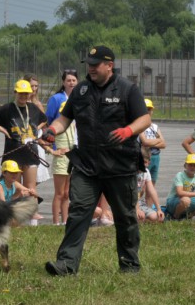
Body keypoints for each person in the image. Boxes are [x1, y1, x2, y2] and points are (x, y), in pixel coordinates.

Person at [41, 45, 151, 275]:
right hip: (87, 165)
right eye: (88, 65)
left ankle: (129, 264)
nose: (90, 68)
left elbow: (144, 119)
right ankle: (66, 264)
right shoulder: (81, 91)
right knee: (78, 212)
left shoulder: (127, 89)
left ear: (109, 65)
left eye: (95, 64)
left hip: (120, 165)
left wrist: (128, 131)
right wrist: (52, 130)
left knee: (125, 217)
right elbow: (64, 118)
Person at [0, 79, 47, 209]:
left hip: (31, 153)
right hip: (13, 153)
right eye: (21, 93)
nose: (23, 96)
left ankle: (33, 219)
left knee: (30, 188)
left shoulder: (33, 108)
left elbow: (44, 120)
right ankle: (15, 218)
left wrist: (36, 130)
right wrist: (1, 129)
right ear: (15, 92)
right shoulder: (7, 108)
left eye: (26, 93)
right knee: (14, 188)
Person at [46, 101, 76, 225]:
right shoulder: (57, 125)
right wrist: (53, 151)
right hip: (61, 159)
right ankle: (55, 222)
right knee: (59, 193)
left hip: (70, 158)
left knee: (66, 193)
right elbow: (43, 141)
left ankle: (65, 220)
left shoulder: (73, 124)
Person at [139, 99, 166, 184]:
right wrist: (158, 140)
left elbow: (164, 144)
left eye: (149, 109)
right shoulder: (139, 125)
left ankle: (149, 198)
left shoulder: (155, 126)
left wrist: (150, 142)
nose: (147, 111)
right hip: (144, 157)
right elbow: (145, 142)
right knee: (142, 183)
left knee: (152, 182)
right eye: (145, 109)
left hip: (156, 157)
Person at [136, 148, 164, 224]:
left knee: (156, 217)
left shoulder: (146, 172)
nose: (144, 165)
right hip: (128, 202)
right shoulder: (131, 173)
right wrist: (137, 209)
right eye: (142, 162)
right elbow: (132, 193)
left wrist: (159, 209)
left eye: (146, 162)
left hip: (139, 201)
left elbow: (152, 190)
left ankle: (144, 217)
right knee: (140, 218)